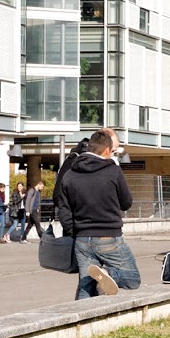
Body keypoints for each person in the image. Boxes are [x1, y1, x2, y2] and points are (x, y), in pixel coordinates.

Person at [55, 128, 141, 299]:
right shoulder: (113, 171)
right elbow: (126, 203)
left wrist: (74, 231)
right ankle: (108, 274)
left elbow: (63, 209)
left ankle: (81, 315)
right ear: (107, 150)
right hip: (108, 235)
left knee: (86, 285)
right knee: (132, 278)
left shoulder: (70, 174)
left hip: (82, 238)